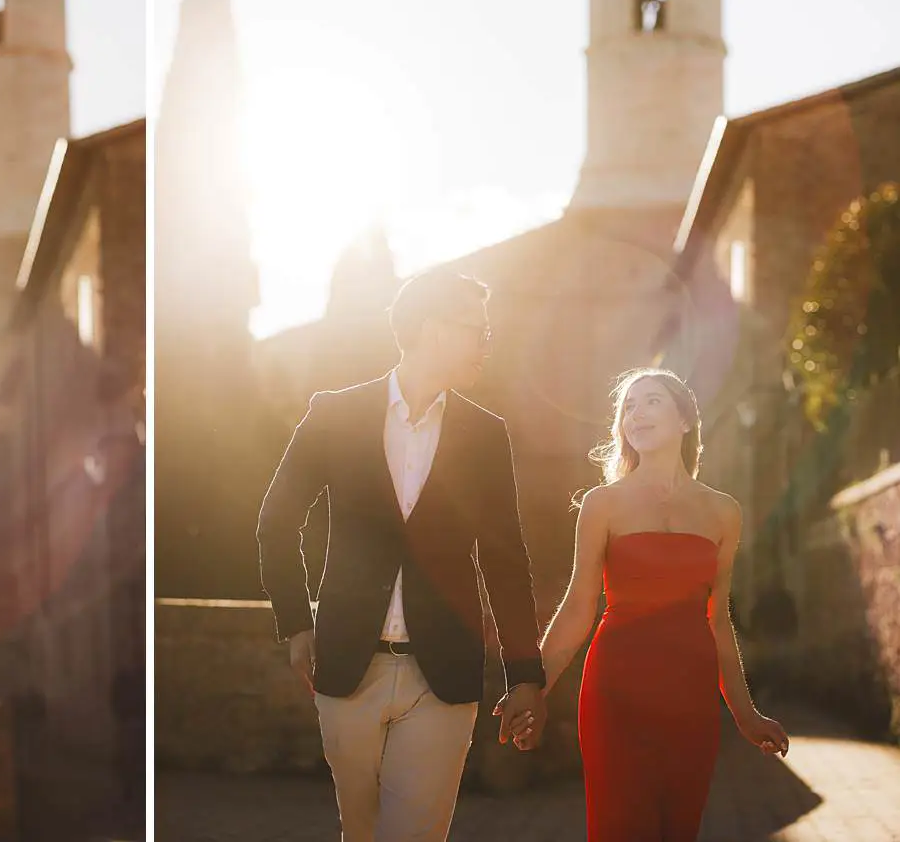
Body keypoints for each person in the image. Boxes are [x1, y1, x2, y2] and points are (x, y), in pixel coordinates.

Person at [256, 270, 546, 842]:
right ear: (435, 330)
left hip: (442, 676)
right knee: (360, 833)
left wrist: (525, 675)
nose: (487, 344)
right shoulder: (335, 414)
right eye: (477, 331)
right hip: (347, 667)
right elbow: (276, 520)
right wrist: (294, 623)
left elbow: (505, 559)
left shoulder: (486, 435)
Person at [529, 368, 789, 841]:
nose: (635, 413)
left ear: (685, 420)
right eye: (628, 406)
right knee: (619, 827)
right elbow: (578, 606)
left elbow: (718, 621)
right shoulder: (601, 504)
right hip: (616, 690)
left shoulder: (723, 511)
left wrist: (745, 713)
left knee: (678, 828)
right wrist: (534, 686)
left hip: (690, 696)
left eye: (651, 401)